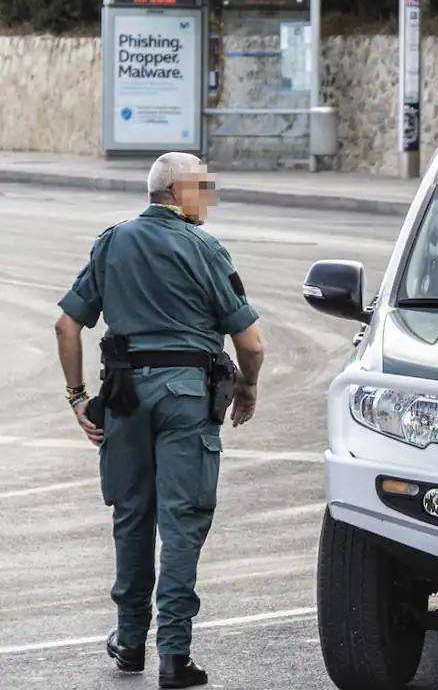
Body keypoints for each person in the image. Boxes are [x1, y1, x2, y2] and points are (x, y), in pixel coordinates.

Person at [54, 152, 265, 688]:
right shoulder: (204, 249)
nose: (208, 198)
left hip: (123, 397)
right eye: (203, 187)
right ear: (177, 191)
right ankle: (174, 655)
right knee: (182, 522)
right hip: (185, 398)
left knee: (131, 517)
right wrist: (247, 383)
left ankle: (129, 644)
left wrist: (78, 397)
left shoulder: (112, 242)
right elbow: (251, 342)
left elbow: (66, 326)